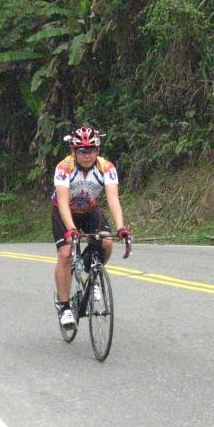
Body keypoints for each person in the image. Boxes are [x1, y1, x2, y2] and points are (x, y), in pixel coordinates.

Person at [51, 126, 132, 327]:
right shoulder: (64, 167)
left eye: (91, 150)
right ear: (73, 151)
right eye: (82, 151)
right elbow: (63, 201)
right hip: (64, 211)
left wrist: (121, 227)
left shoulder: (107, 167)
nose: (87, 156)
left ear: (98, 150)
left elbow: (113, 199)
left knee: (106, 242)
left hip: (89, 209)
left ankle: (90, 274)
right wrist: (71, 228)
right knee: (66, 253)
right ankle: (64, 306)